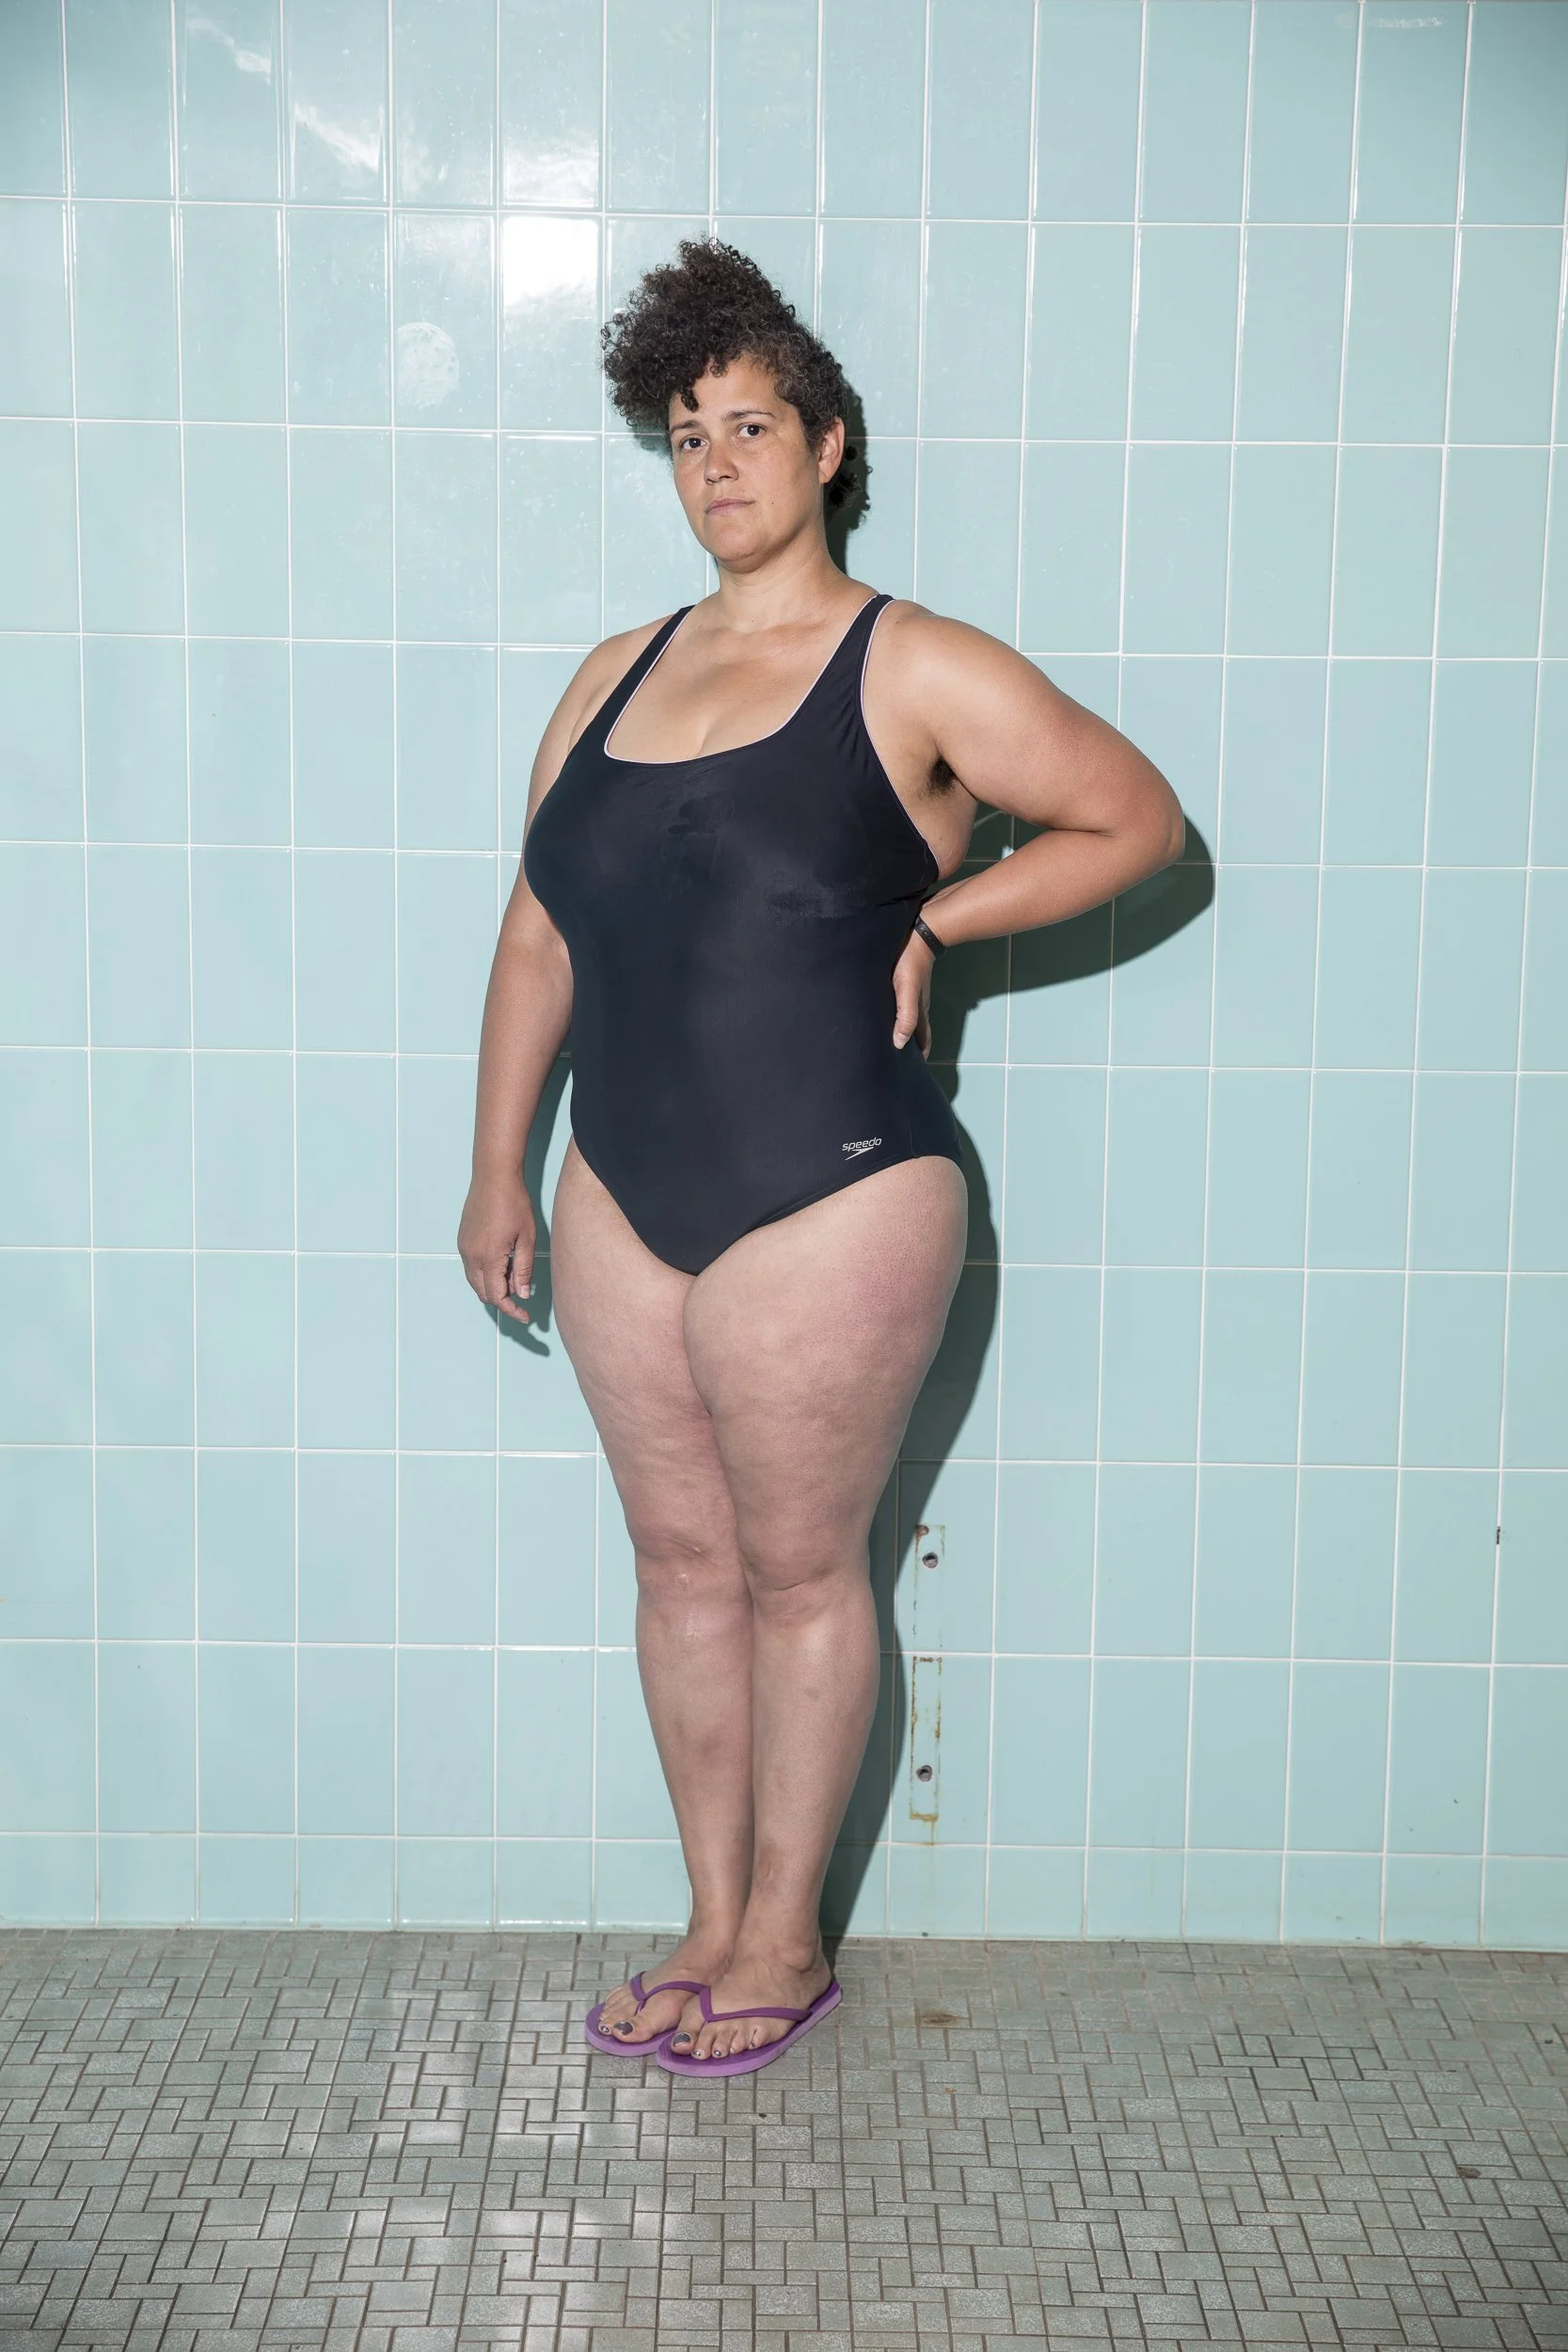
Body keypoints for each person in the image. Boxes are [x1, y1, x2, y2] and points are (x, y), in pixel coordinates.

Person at [458, 239, 1183, 2075]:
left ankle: (783, 1937)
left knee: (796, 1569)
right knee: (677, 1570)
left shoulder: (910, 661)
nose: (714, 461)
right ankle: (708, 1911)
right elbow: (537, 930)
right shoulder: (609, 675)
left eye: (750, 425)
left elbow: (1134, 817)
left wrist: (946, 919)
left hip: (836, 1187)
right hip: (617, 1191)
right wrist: (491, 1166)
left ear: (827, 443)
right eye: (684, 434)